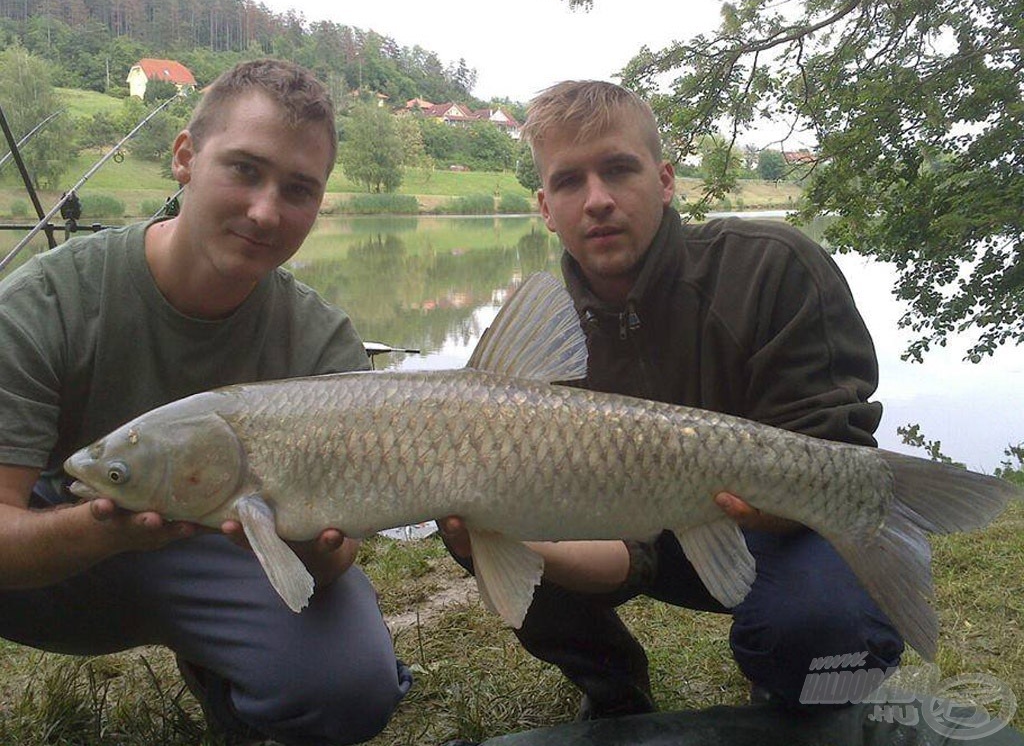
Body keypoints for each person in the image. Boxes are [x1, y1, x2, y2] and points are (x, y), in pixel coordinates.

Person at [442, 80, 903, 721]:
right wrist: (519, 547)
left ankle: (789, 683)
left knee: (823, 629)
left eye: (619, 169)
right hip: (633, 529)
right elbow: (634, 551)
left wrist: (752, 501)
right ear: (545, 208)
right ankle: (612, 684)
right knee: (476, 510)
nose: (598, 200)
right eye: (570, 182)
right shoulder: (540, 341)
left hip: (785, 525)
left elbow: (832, 451)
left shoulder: (773, 267)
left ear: (664, 180)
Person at [0, 59, 411, 745]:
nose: (265, 211)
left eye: (299, 189)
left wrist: (322, 547)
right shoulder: (46, 302)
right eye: (245, 170)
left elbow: (335, 562)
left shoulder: (322, 342)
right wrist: (107, 526)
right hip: (61, 545)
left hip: (236, 554)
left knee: (352, 687)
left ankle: (229, 671)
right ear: (186, 157)